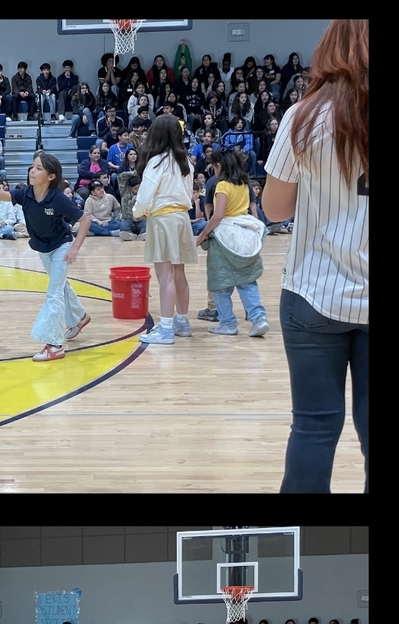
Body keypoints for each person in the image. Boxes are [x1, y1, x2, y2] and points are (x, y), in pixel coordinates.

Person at [263, 21, 369, 493]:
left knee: (313, 430)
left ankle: (295, 556)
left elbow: (275, 208)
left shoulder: (302, 117)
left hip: (313, 293)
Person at [0, 142, 91, 360]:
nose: (32, 170)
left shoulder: (58, 199)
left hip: (62, 246)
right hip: (42, 248)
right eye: (32, 166)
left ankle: (55, 345)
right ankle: (80, 317)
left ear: (50, 176)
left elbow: (84, 220)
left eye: (39, 168)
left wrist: (75, 248)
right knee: (61, 285)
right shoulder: (24, 194)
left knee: (53, 293)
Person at [133, 113, 197, 344]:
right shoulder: (186, 161)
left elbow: (145, 194)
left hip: (163, 219)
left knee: (165, 276)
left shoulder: (157, 161)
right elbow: (189, 193)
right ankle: (181, 321)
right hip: (181, 217)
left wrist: (137, 212)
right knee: (179, 273)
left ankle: (166, 328)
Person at [195, 148, 269, 337]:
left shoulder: (222, 186)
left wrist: (203, 234)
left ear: (218, 165)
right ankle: (259, 319)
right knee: (248, 281)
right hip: (244, 232)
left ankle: (228, 323)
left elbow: (218, 215)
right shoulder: (244, 183)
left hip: (225, 236)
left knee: (221, 282)